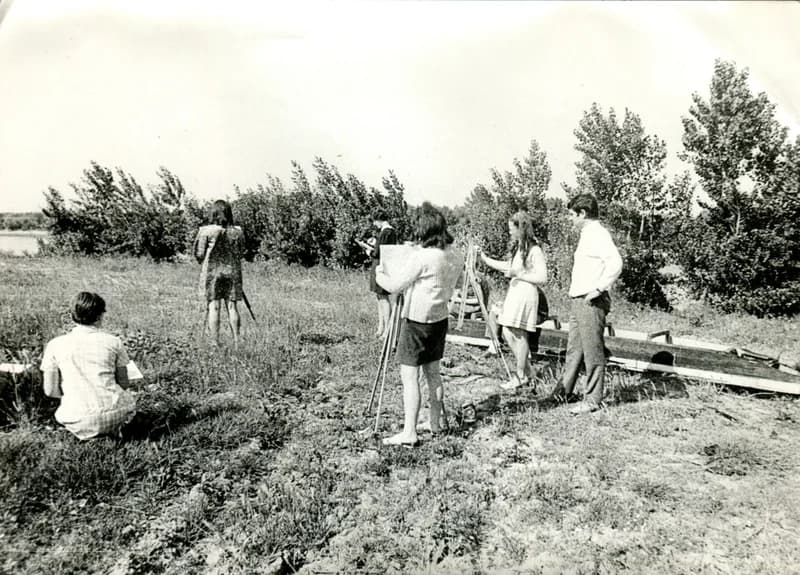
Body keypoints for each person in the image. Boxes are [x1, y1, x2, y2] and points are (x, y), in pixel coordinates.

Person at [375, 202, 463, 446]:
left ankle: (410, 432)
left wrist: (380, 273)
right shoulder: (455, 254)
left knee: (409, 376)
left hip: (416, 321)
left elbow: (394, 286)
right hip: (439, 319)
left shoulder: (423, 258)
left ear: (423, 230)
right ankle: (435, 424)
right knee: (433, 373)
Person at [555, 194, 623, 414]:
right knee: (574, 349)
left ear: (582, 214)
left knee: (593, 351)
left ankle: (592, 399)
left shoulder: (598, 234)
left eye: (571, 215)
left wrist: (598, 289)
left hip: (591, 301)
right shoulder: (587, 234)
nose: (570, 219)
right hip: (578, 299)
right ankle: (563, 391)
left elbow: (615, 263)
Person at [40, 292, 137, 440]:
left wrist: (72, 396)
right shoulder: (113, 342)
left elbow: (50, 391)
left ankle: (87, 433)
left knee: (71, 412)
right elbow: (124, 383)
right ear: (100, 316)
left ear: (72, 315)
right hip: (116, 413)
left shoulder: (55, 344)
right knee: (125, 402)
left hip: (77, 418)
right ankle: (112, 431)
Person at [479, 211, 548, 390]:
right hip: (515, 292)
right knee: (507, 332)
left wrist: (520, 274)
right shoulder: (519, 249)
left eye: (512, 229)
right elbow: (508, 266)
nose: (510, 232)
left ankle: (520, 375)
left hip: (526, 293)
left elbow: (542, 277)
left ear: (521, 228)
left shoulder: (534, 249)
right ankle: (527, 371)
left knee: (519, 333)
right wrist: (485, 259)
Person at [194, 200, 245, 345]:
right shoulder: (237, 231)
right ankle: (237, 341)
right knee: (232, 306)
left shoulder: (205, 231)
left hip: (212, 272)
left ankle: (214, 342)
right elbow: (241, 252)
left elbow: (199, 254)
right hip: (232, 271)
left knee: (213, 306)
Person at [360, 209, 398, 339]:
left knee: (383, 297)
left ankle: (387, 330)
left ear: (378, 220)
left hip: (381, 267)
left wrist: (368, 251)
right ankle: (381, 327)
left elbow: (378, 253)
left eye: (375, 221)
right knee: (379, 297)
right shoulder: (389, 232)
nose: (374, 224)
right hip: (383, 266)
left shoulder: (386, 232)